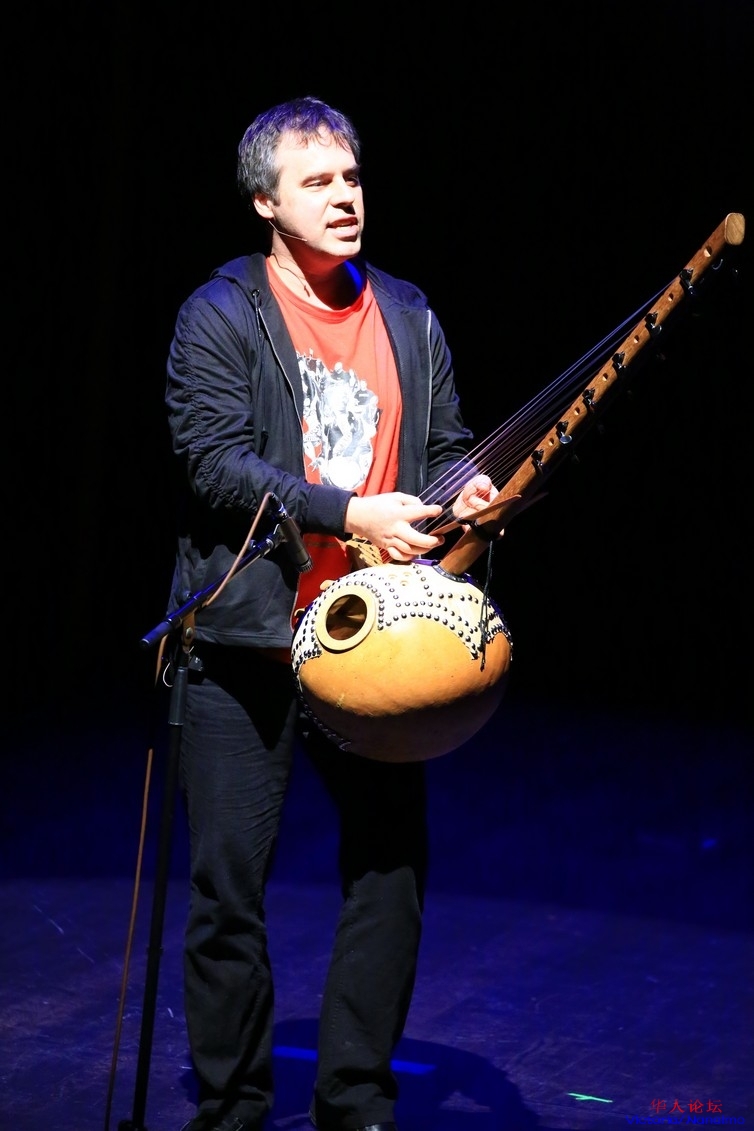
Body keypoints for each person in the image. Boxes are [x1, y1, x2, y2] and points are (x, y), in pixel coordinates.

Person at [165, 95, 497, 1131]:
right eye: (317, 181)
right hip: (245, 644)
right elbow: (215, 464)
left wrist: (467, 491)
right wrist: (349, 511)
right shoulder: (220, 313)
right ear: (266, 201)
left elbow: (444, 447)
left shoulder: (407, 312)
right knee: (228, 891)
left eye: (351, 176)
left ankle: (355, 1099)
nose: (345, 196)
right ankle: (234, 1108)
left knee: (390, 872)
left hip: (372, 635)